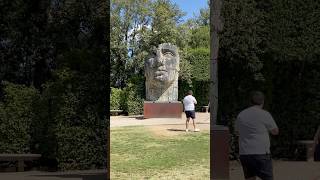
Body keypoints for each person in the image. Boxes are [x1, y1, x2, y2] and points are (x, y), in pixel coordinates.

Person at [235, 91, 279, 180]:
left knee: (249, 177)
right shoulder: (264, 114)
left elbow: (237, 132)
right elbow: (275, 131)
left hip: (245, 153)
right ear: (263, 101)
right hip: (261, 152)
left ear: (250, 101)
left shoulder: (241, 115)